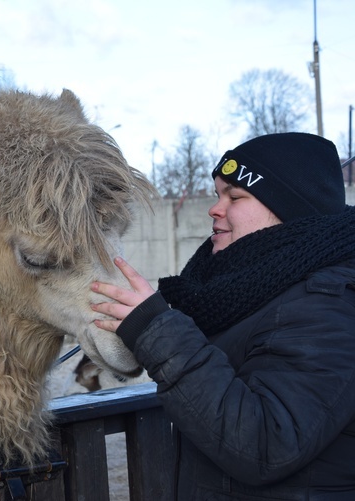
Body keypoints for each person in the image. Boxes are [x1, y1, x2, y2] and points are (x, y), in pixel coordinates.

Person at [91, 132, 355, 500]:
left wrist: (156, 331)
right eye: (217, 195)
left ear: (290, 209)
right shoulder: (248, 288)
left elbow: (266, 445)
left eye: (235, 196)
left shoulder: (329, 305)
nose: (215, 208)